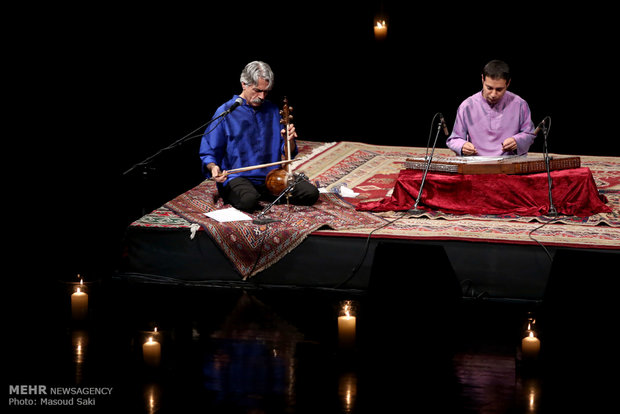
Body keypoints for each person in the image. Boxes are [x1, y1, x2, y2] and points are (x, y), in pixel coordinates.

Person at [199, 61, 319, 212]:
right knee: (248, 200)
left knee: (311, 193)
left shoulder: (273, 110)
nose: (262, 96)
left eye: (266, 91)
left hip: (271, 178)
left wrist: (289, 141)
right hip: (238, 178)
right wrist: (213, 167)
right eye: (257, 90)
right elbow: (209, 151)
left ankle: (265, 194)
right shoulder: (225, 112)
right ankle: (260, 196)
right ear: (244, 84)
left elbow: (288, 152)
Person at [446, 60, 536, 156]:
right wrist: (462, 145)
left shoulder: (520, 104)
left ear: (508, 83)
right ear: (482, 79)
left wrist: (517, 141)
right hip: (476, 164)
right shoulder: (467, 106)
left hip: (509, 165)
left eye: (499, 89)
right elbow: (454, 139)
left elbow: (530, 134)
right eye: (489, 88)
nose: (493, 94)